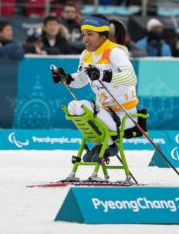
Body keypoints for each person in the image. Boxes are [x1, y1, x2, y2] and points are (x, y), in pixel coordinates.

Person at [51, 14, 139, 181]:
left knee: (83, 106)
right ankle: (105, 145)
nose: (86, 39)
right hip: (104, 113)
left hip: (124, 115)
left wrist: (104, 74)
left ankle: (109, 145)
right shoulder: (86, 55)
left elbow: (131, 78)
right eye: (84, 34)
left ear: (103, 35)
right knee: (73, 107)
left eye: (90, 34)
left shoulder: (115, 52)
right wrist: (66, 78)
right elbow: (80, 80)